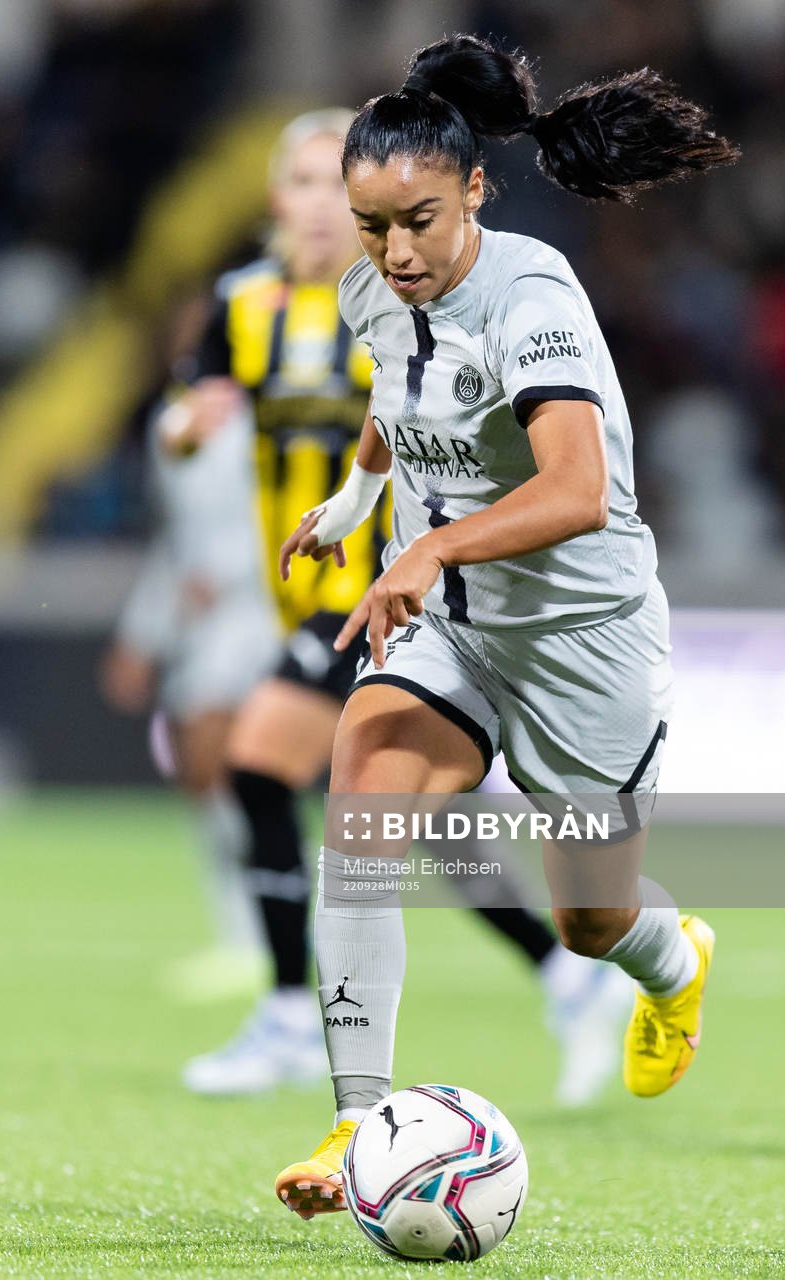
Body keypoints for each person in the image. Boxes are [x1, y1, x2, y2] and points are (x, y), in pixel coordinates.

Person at [273, 35, 738, 1219]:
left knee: (590, 918)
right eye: (374, 226)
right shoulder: (372, 284)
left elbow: (578, 486)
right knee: (365, 794)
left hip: (582, 639)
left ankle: (675, 961)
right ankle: (354, 1119)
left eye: (420, 220)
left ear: (475, 187)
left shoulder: (532, 296)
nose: (398, 252)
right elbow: (395, 392)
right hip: (454, 633)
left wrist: (427, 545)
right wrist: (360, 500)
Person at [166, 108, 633, 1102]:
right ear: (276, 201)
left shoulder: (413, 294)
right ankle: (567, 969)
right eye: (299, 183)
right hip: (318, 589)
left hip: (403, 597)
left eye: (335, 190)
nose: (326, 210)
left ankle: (296, 1012)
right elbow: (190, 398)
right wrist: (184, 422)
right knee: (414, 828)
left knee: (261, 764)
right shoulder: (245, 306)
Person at [100, 391, 279, 983]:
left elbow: (298, 501)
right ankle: (246, 935)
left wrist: (229, 571)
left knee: (231, 766)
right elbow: (181, 536)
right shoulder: (170, 423)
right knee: (205, 773)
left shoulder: (281, 401)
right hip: (204, 621)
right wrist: (142, 631)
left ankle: (268, 931)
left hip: (272, 607)